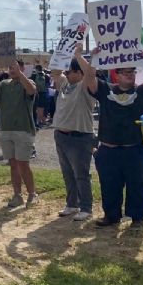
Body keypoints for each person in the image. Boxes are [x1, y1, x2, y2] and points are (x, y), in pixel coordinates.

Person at [74, 51, 143, 229]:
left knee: (138, 185)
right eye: (125, 72)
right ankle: (111, 215)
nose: (130, 74)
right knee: (109, 185)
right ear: (116, 75)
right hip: (109, 149)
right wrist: (94, 60)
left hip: (135, 149)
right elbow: (90, 79)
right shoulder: (106, 90)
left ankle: (137, 218)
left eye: (132, 71)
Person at [50, 54, 97, 222]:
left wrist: (78, 55)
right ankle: (72, 204)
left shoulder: (85, 86)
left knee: (81, 174)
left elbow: (90, 74)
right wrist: (63, 54)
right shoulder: (64, 84)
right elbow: (54, 71)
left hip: (80, 136)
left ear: (79, 73)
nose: (66, 74)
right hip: (61, 135)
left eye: (69, 71)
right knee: (67, 173)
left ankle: (86, 207)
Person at [0, 59, 38, 208]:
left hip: (23, 129)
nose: (12, 69)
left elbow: (31, 90)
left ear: (22, 68)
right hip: (6, 129)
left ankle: (32, 194)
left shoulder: (28, 82)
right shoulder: (4, 84)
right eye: (10, 67)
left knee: (23, 164)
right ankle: (17, 195)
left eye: (15, 66)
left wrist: (20, 74)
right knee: (13, 164)